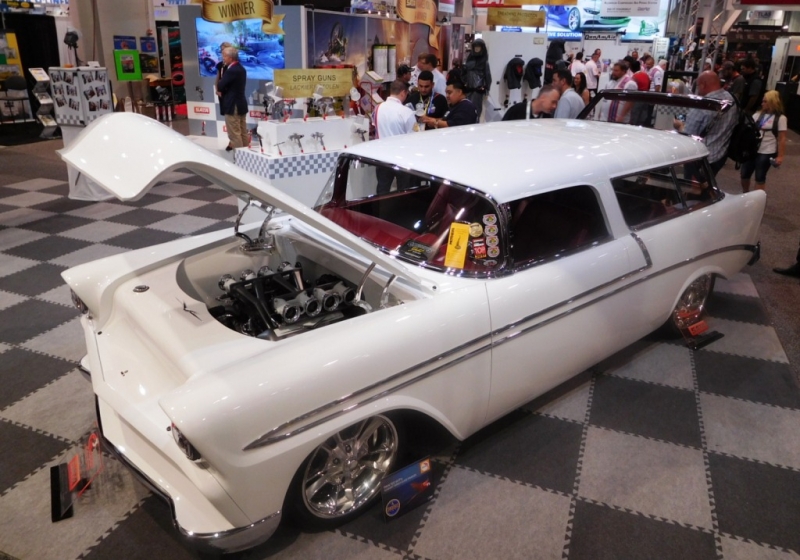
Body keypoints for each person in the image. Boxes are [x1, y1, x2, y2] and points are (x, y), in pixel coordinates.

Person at [673, 71, 737, 176]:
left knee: (691, 184)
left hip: (699, 157)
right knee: (708, 183)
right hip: (720, 155)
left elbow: (688, 136)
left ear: (703, 85)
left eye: (698, 86)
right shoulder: (731, 99)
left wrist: (679, 125)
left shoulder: (701, 105)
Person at [372, 80, 416, 194]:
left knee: (382, 189)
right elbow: (414, 137)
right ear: (403, 92)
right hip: (402, 158)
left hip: (382, 156)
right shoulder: (406, 112)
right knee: (403, 190)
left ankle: (379, 206)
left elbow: (375, 128)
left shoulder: (377, 108)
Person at [740, 90, 787, 192]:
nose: (762, 104)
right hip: (752, 149)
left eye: (765, 101)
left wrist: (780, 156)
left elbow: (782, 138)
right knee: (744, 174)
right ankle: (745, 193)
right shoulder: (757, 115)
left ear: (772, 102)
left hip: (767, 151)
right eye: (762, 101)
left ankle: (757, 198)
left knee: (760, 176)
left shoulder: (781, 118)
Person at [217, 47, 248, 151]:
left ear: (230, 58)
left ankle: (240, 158)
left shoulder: (231, 70)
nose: (223, 58)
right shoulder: (241, 68)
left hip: (232, 105)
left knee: (234, 134)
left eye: (224, 56)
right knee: (243, 132)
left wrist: (222, 85)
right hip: (241, 104)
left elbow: (220, 85)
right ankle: (246, 155)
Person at [463, 38, 491, 120]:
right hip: (468, 90)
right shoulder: (469, 60)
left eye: (478, 47)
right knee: (466, 109)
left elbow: (488, 77)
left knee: (476, 110)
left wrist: (487, 90)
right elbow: (464, 73)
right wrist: (464, 82)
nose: (477, 48)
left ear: (482, 48)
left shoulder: (484, 62)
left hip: (477, 91)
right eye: (475, 46)